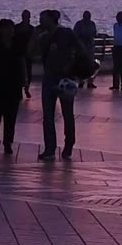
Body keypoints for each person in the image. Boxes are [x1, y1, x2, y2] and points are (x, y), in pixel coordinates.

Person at [35, 10, 88, 161]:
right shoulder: (43, 37)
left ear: (52, 19)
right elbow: (31, 53)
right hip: (49, 79)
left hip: (66, 80)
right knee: (48, 116)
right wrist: (35, 37)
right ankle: (50, 149)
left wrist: (71, 65)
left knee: (67, 114)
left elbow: (81, 50)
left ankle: (69, 144)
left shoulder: (66, 33)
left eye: (42, 18)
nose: (40, 21)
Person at [0, 18, 25, 156]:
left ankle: (8, 143)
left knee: (11, 118)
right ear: (1, 30)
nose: (10, 31)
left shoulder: (17, 44)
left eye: (11, 29)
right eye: (7, 28)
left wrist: (24, 80)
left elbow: (22, 61)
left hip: (14, 85)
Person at [73, 10, 98, 88]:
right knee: (81, 65)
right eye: (86, 16)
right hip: (81, 48)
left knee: (91, 66)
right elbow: (75, 34)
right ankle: (81, 81)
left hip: (90, 47)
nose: (87, 18)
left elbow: (94, 33)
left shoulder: (92, 24)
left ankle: (90, 82)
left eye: (88, 17)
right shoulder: (79, 24)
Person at [13, 10, 35, 98]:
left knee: (28, 73)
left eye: (27, 16)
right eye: (24, 16)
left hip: (28, 54)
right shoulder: (17, 28)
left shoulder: (32, 29)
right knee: (18, 73)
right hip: (18, 53)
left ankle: (26, 89)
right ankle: (19, 91)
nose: (25, 18)